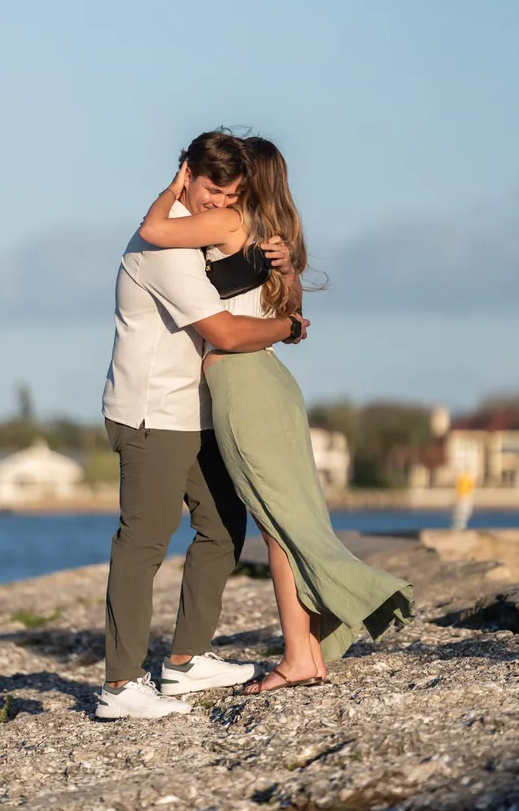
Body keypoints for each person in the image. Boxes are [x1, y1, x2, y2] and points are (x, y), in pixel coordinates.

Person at [139, 136, 414, 694]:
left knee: (278, 525)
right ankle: (307, 653)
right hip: (274, 383)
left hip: (243, 384)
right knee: (290, 520)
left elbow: (153, 232)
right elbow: (294, 320)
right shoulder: (273, 239)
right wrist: (288, 273)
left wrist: (174, 187)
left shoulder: (230, 222)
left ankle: (304, 651)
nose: (220, 192)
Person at [96, 130, 309, 721]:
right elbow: (227, 333)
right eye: (213, 188)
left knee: (221, 527)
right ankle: (119, 687)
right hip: (152, 413)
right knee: (144, 540)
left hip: (194, 411)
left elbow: (254, 297)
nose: (220, 202)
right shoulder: (163, 249)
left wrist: (284, 276)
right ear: (185, 173)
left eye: (232, 193)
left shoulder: (199, 241)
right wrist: (289, 329)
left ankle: (184, 663)